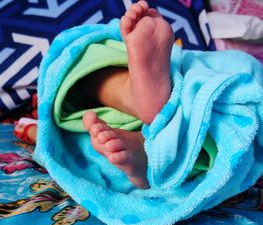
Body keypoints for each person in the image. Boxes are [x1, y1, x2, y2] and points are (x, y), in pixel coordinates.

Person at [15, 1, 177, 189]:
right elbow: (40, 133)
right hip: (170, 114)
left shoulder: (28, 119)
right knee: (77, 67)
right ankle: (144, 151)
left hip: (176, 80)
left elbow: (38, 135)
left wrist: (33, 130)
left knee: (76, 66)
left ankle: (133, 96)